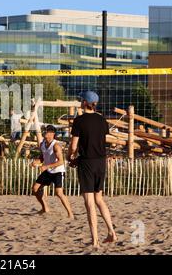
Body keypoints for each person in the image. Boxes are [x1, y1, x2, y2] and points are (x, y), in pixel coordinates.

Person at [67, 91, 117, 248]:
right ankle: (111, 232)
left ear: (84, 102)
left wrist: (70, 157)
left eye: (81, 99)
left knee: (89, 202)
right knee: (99, 199)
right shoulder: (102, 120)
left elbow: (74, 146)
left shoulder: (79, 121)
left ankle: (95, 240)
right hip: (101, 162)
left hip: (87, 162)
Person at [31, 121, 74, 219]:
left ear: (52, 134)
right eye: (44, 131)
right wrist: (36, 162)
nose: (44, 132)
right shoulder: (42, 144)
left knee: (59, 192)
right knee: (35, 189)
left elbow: (61, 161)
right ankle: (45, 208)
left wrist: (46, 166)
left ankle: (70, 213)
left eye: (46, 131)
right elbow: (42, 158)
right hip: (49, 171)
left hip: (58, 171)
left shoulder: (56, 145)